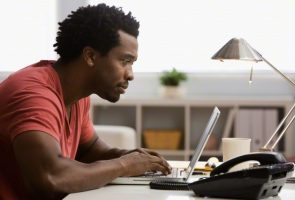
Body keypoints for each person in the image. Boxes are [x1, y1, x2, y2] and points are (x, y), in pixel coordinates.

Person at [0, 4, 171, 200]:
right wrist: (125, 165)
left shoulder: (76, 95)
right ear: (90, 56)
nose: (130, 75)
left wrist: (133, 157)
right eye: (125, 61)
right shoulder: (33, 94)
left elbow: (89, 150)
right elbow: (51, 178)